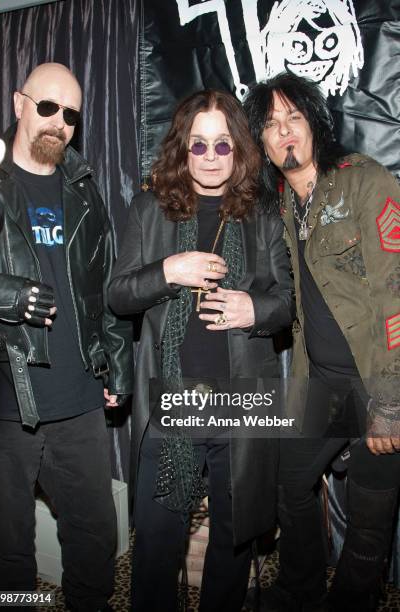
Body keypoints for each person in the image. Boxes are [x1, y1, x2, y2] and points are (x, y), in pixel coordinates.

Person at [108, 89, 294, 612]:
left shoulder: (261, 213)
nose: (211, 157)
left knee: (233, 548)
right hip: (172, 404)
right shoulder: (149, 209)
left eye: (222, 145)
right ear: (181, 149)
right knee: (156, 551)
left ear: (239, 150)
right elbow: (118, 293)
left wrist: (253, 310)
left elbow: (286, 302)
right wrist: (170, 272)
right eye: (198, 146)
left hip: (241, 406)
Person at [244, 72, 400, 612]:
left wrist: (389, 403)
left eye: (294, 118)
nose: (284, 132)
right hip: (326, 385)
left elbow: (394, 291)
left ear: (314, 124)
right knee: (290, 483)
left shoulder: (364, 180)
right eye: (271, 125)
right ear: (261, 143)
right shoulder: (288, 206)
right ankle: (300, 588)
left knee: (369, 519)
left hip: (380, 380)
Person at [0, 63, 133, 611]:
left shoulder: (83, 187)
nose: (59, 122)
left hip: (80, 403)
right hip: (6, 400)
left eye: (71, 113)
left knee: (95, 542)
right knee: (6, 554)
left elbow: (103, 287)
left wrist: (116, 361)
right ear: (18, 103)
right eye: (47, 107)